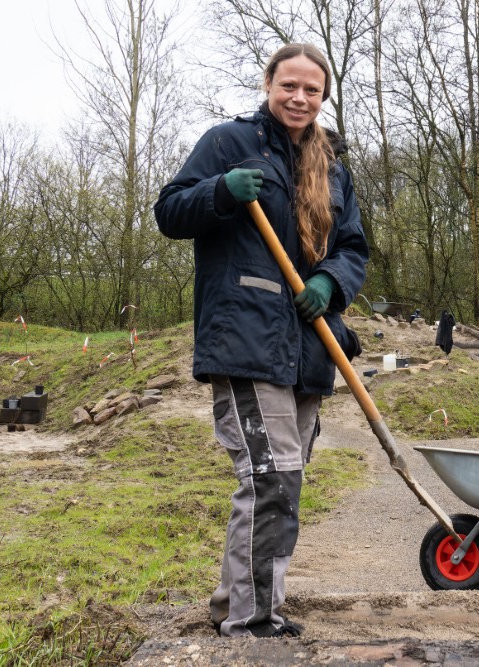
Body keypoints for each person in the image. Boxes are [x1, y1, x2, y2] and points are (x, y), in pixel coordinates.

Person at [154, 43, 368, 638]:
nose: (299, 98)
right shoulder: (228, 143)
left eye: (312, 90)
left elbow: (353, 247)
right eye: (289, 86)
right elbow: (169, 211)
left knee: (286, 480)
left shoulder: (332, 167)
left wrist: (330, 281)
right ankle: (247, 619)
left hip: (308, 345)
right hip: (246, 338)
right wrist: (221, 190)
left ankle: (250, 604)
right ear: (269, 85)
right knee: (270, 476)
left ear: (323, 97)